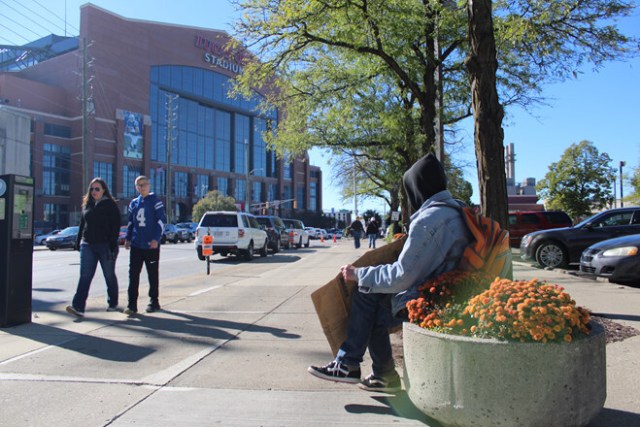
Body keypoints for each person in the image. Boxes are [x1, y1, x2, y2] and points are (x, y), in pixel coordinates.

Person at [308, 154, 472, 392]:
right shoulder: (457, 209)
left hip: (434, 299)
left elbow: (402, 276)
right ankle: (376, 373)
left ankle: (350, 365)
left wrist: (359, 274)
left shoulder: (430, 219)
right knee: (372, 298)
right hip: (453, 290)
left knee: (366, 294)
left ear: (417, 187)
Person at [66, 178, 121, 317]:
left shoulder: (110, 205)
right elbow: (82, 224)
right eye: (92, 189)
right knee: (85, 276)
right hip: (88, 244)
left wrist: (112, 245)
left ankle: (113, 302)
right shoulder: (87, 205)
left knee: (109, 275)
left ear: (103, 190)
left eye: (97, 189)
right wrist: (78, 242)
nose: (94, 191)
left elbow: (116, 226)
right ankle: (78, 306)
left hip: (105, 245)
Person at [123, 175, 166, 315]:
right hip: (136, 244)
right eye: (139, 185)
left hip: (151, 245)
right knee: (133, 275)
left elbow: (161, 221)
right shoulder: (134, 203)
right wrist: (128, 238)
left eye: (144, 184)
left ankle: (154, 301)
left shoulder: (155, 201)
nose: (142, 187)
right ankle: (131, 304)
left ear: (149, 185)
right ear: (136, 187)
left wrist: (156, 238)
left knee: (152, 274)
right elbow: (131, 222)